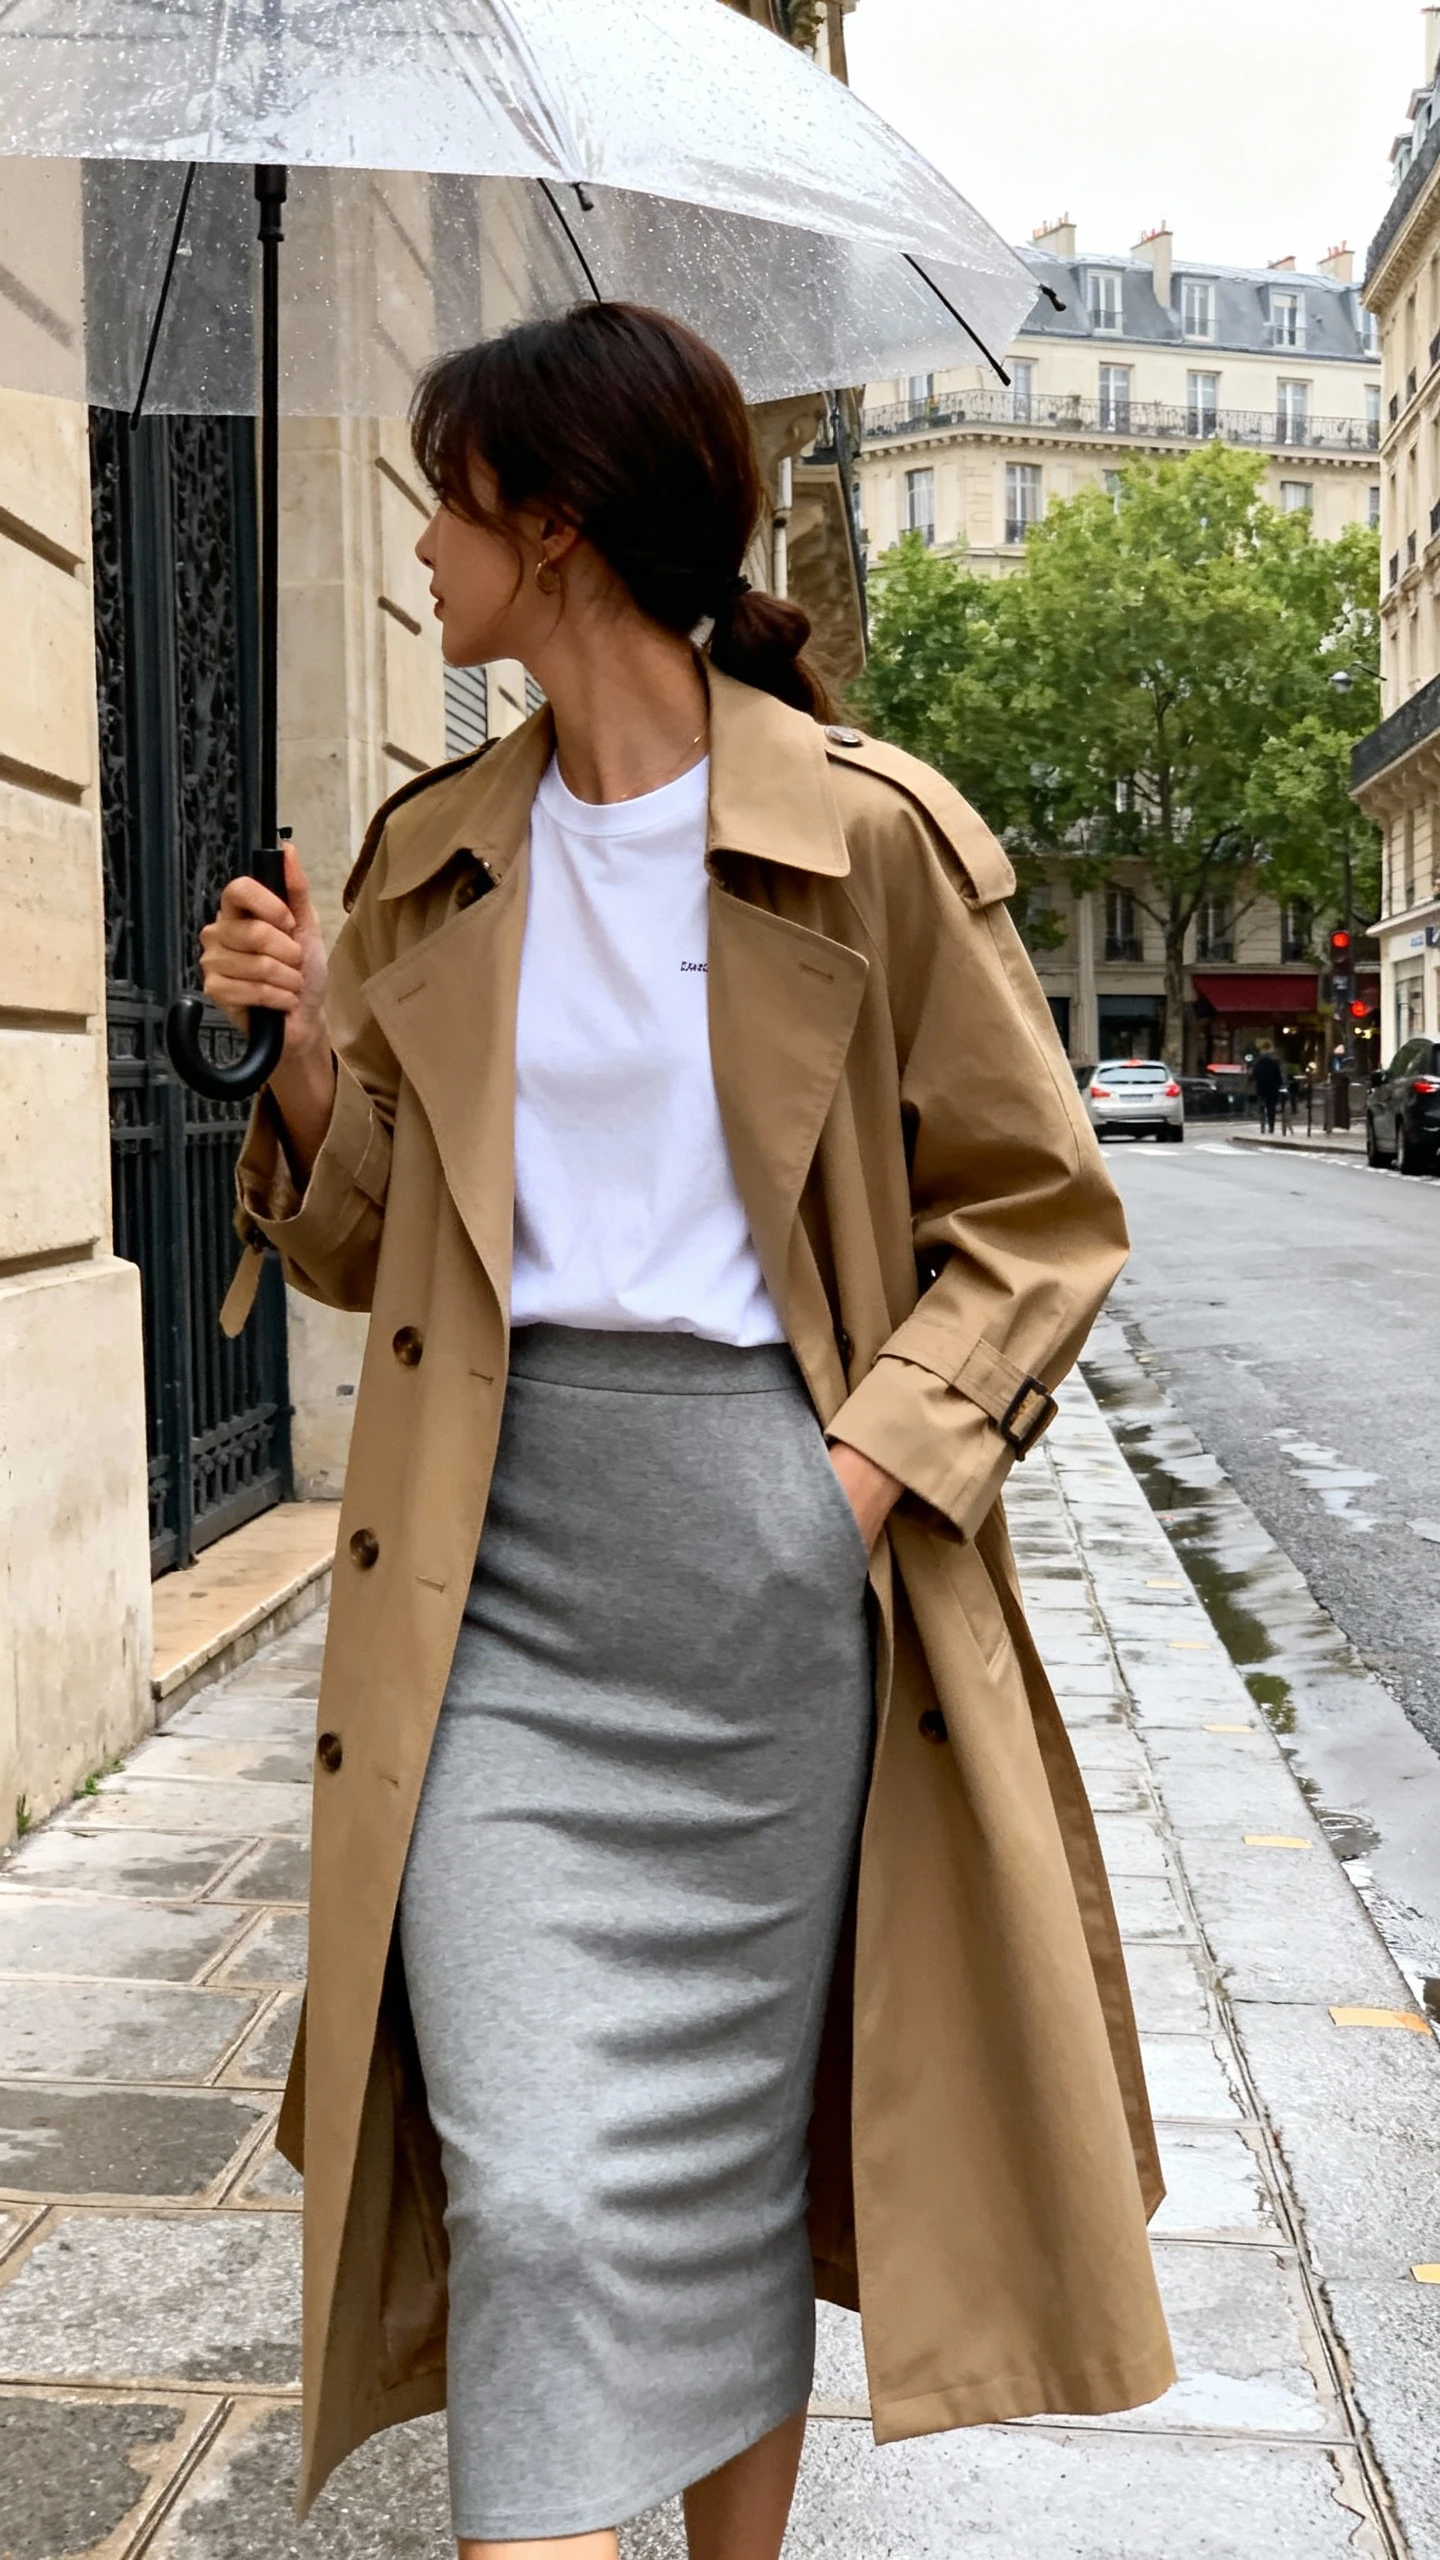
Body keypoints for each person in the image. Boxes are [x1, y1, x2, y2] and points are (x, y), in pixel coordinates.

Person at [202, 303, 1173, 2560]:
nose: (418, 544)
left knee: (731, 2174)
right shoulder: (431, 846)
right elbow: (364, 1251)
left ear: (552, 528)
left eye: (446, 498)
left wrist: (838, 1490)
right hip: (494, 1591)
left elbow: (1043, 1218)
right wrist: (314, 1064)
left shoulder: (873, 838)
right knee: (535, 2187)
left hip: (766, 1590)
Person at [1252, 1044, 1285, 1135]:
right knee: (1271, 1109)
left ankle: (1262, 1125)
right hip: (1272, 1089)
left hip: (1261, 1088)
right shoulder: (1274, 1063)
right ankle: (1271, 1126)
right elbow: (1278, 1077)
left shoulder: (1258, 1063)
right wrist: (1280, 1085)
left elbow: (1254, 1075)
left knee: (1262, 1107)